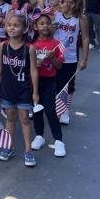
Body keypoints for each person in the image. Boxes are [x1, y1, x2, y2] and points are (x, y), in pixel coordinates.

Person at [0, 12, 39, 167]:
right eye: (9, 25)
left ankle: (28, 150)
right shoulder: (3, 46)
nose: (11, 28)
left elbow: (33, 71)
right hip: (7, 88)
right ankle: (8, 146)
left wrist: (35, 92)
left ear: (24, 29)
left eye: (16, 25)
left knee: (24, 118)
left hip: (23, 89)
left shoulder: (29, 48)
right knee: (10, 118)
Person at [31, 14, 66, 157]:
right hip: (35, 81)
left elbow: (59, 66)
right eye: (41, 23)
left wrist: (52, 59)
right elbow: (28, 66)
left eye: (47, 23)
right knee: (37, 110)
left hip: (50, 81)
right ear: (35, 27)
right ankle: (39, 136)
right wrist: (35, 64)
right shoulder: (32, 45)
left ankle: (58, 140)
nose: (45, 25)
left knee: (51, 111)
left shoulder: (57, 44)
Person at [54, 0, 89, 125]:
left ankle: (65, 111)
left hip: (70, 57)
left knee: (68, 85)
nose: (64, 4)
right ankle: (54, 107)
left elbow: (85, 39)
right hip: (53, 56)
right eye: (62, 1)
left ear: (75, 4)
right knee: (53, 83)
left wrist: (84, 59)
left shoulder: (81, 18)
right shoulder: (55, 15)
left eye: (69, 2)